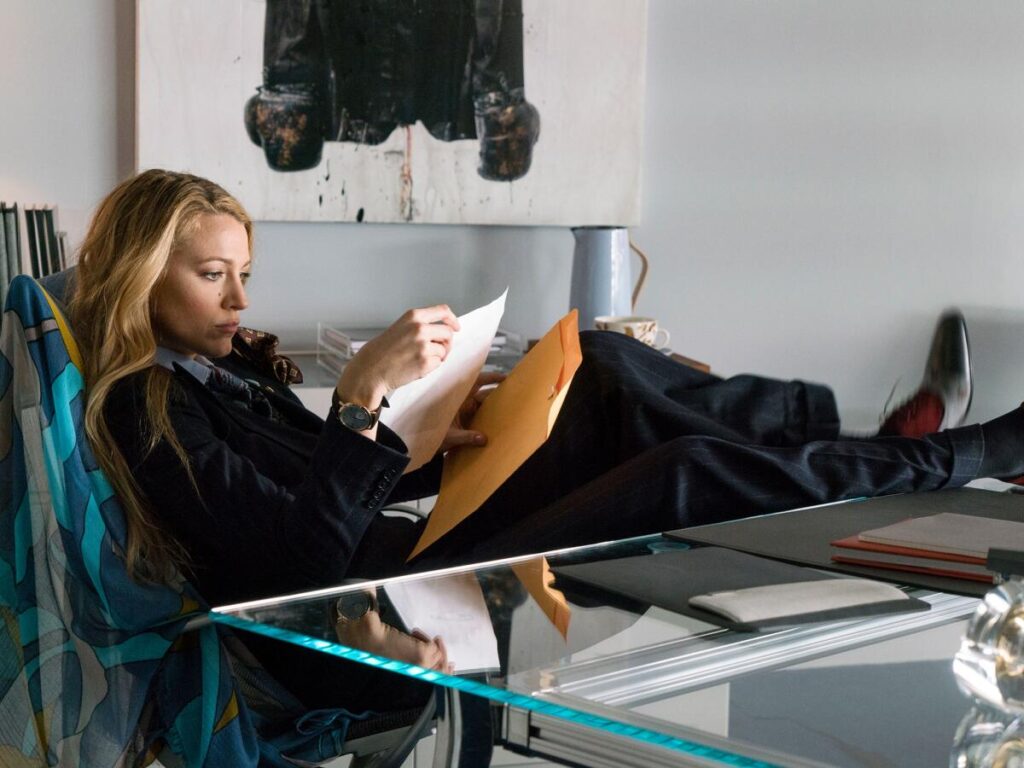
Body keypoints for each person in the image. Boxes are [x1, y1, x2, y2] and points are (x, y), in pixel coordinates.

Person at [68, 169, 1023, 707]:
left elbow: (330, 487)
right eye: (211, 275)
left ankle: (863, 435)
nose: (242, 298)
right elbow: (300, 563)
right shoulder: (139, 410)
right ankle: (954, 457)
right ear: (142, 276)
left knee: (599, 365)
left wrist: (449, 430)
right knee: (682, 470)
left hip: (415, 541)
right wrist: (359, 405)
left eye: (244, 271)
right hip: (375, 602)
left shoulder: (217, 369)